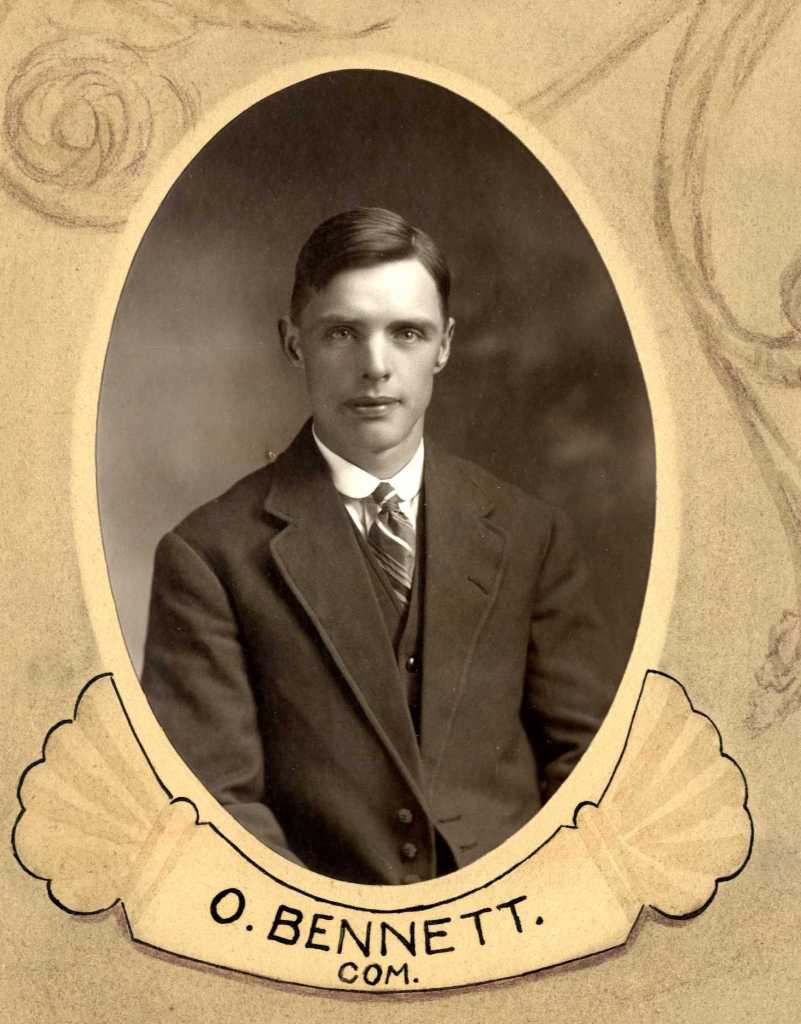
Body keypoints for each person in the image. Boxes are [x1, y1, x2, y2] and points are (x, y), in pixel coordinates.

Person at [141, 207, 615, 885]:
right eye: (341, 332)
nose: (375, 366)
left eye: (407, 333)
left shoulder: (528, 534)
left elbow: (589, 764)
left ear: (444, 345)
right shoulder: (208, 556)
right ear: (294, 342)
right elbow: (213, 804)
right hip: (321, 946)